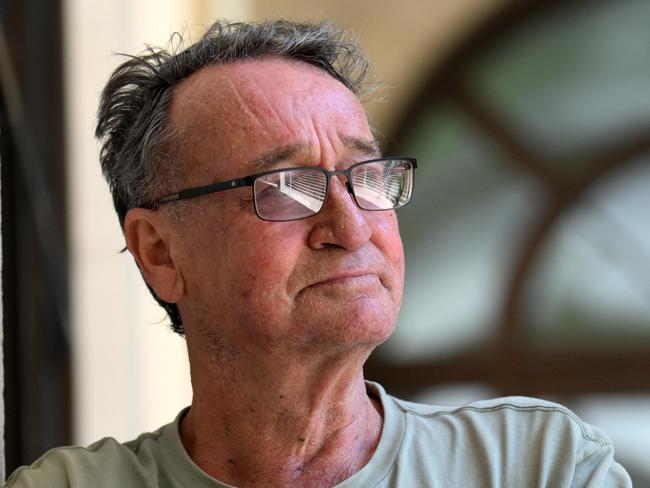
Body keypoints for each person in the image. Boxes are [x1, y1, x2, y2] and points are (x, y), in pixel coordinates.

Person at [5, 19, 631, 488]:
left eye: (367, 177)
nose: (351, 226)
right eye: (287, 187)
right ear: (161, 253)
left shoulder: (538, 466)